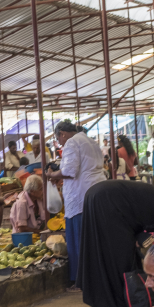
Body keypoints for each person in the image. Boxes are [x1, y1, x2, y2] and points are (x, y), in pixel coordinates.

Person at [46, 120, 105, 290]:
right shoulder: (89, 140)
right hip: (95, 191)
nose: (60, 143)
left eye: (59, 139)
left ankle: (81, 280)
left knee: (78, 240)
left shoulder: (72, 142)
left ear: (62, 134)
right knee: (93, 239)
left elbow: (69, 171)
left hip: (80, 196)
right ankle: (94, 278)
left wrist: (52, 174)